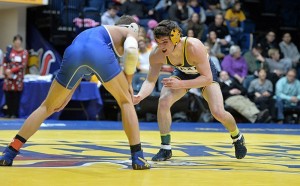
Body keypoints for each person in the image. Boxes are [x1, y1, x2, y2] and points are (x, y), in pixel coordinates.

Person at [0, 15, 150, 170]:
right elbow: (131, 52)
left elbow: (82, 64)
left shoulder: (96, 33)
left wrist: (68, 93)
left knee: (46, 106)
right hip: (96, 52)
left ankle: (9, 152)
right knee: (126, 101)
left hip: (73, 52)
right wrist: (129, 83)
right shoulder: (131, 29)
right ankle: (138, 157)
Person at [133, 20, 247, 161]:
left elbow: (206, 78)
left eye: (164, 42)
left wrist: (180, 85)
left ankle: (237, 137)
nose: (161, 47)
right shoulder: (157, 54)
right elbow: (150, 80)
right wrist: (140, 95)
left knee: (218, 112)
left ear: (175, 37)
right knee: (163, 101)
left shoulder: (194, 46)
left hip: (205, 74)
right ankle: (165, 148)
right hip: (183, 73)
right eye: (158, 42)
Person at [2, 35, 28, 118]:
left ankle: (14, 113)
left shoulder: (24, 52)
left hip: (17, 78)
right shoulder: (9, 51)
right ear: (13, 42)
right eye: (16, 40)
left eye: (19, 41)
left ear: (21, 42)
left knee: (16, 96)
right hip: (8, 77)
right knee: (8, 95)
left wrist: (12, 71)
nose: (17, 42)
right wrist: (6, 71)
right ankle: (8, 113)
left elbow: (23, 65)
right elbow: (4, 62)